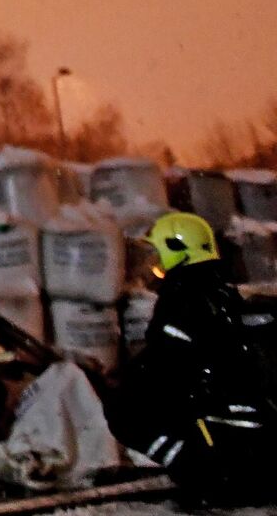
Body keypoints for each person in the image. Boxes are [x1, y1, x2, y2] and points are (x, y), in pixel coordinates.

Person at [113, 211, 276, 504]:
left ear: (179, 252)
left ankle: (194, 468)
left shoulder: (183, 301)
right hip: (259, 441)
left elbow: (166, 366)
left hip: (230, 453)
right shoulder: (220, 294)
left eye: (156, 254)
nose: (152, 265)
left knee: (125, 404)